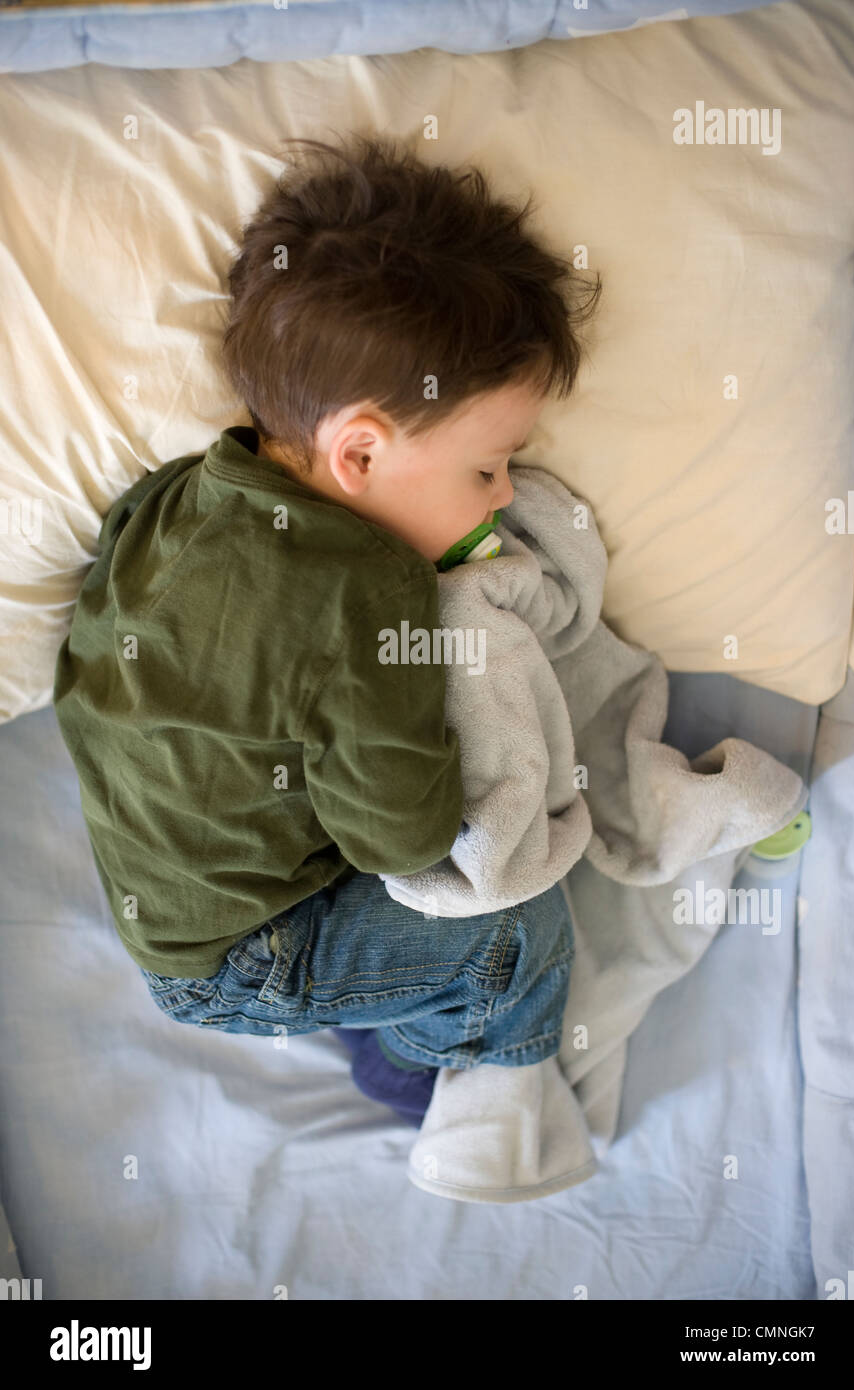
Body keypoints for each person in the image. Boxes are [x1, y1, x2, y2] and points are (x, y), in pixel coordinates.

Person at [53, 132, 602, 1126]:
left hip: (158, 896)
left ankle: (364, 996)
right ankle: (421, 1070)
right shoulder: (369, 586)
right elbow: (401, 835)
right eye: (485, 468)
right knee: (518, 935)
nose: (509, 491)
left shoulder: (185, 490)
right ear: (359, 450)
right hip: (248, 951)